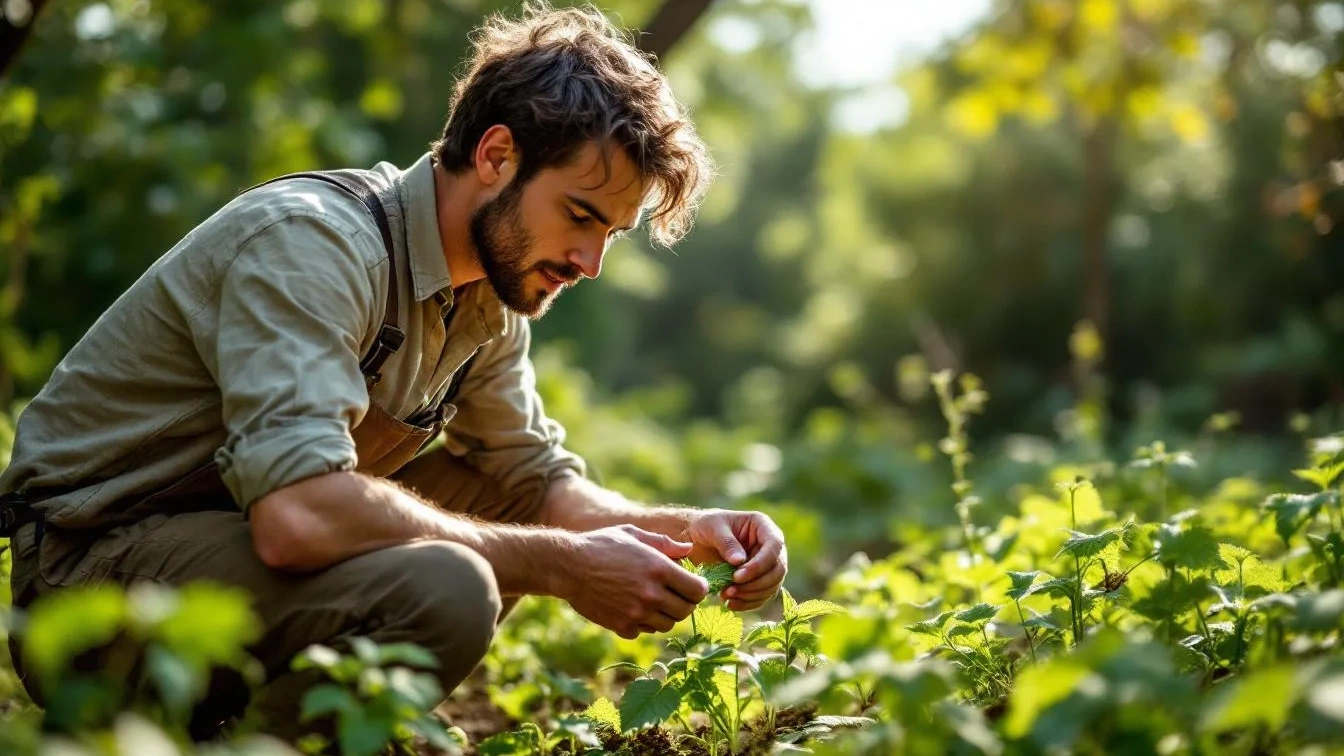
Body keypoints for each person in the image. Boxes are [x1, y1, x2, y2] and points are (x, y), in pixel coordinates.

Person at [0, 2, 787, 743]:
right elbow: (298, 516)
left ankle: (274, 726)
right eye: (581, 216)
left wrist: (688, 533)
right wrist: (565, 565)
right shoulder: (312, 244)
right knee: (449, 588)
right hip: (89, 579)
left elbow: (534, 479)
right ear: (496, 155)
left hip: (221, 556)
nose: (589, 263)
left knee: (505, 498)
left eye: (611, 235)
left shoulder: (489, 301)